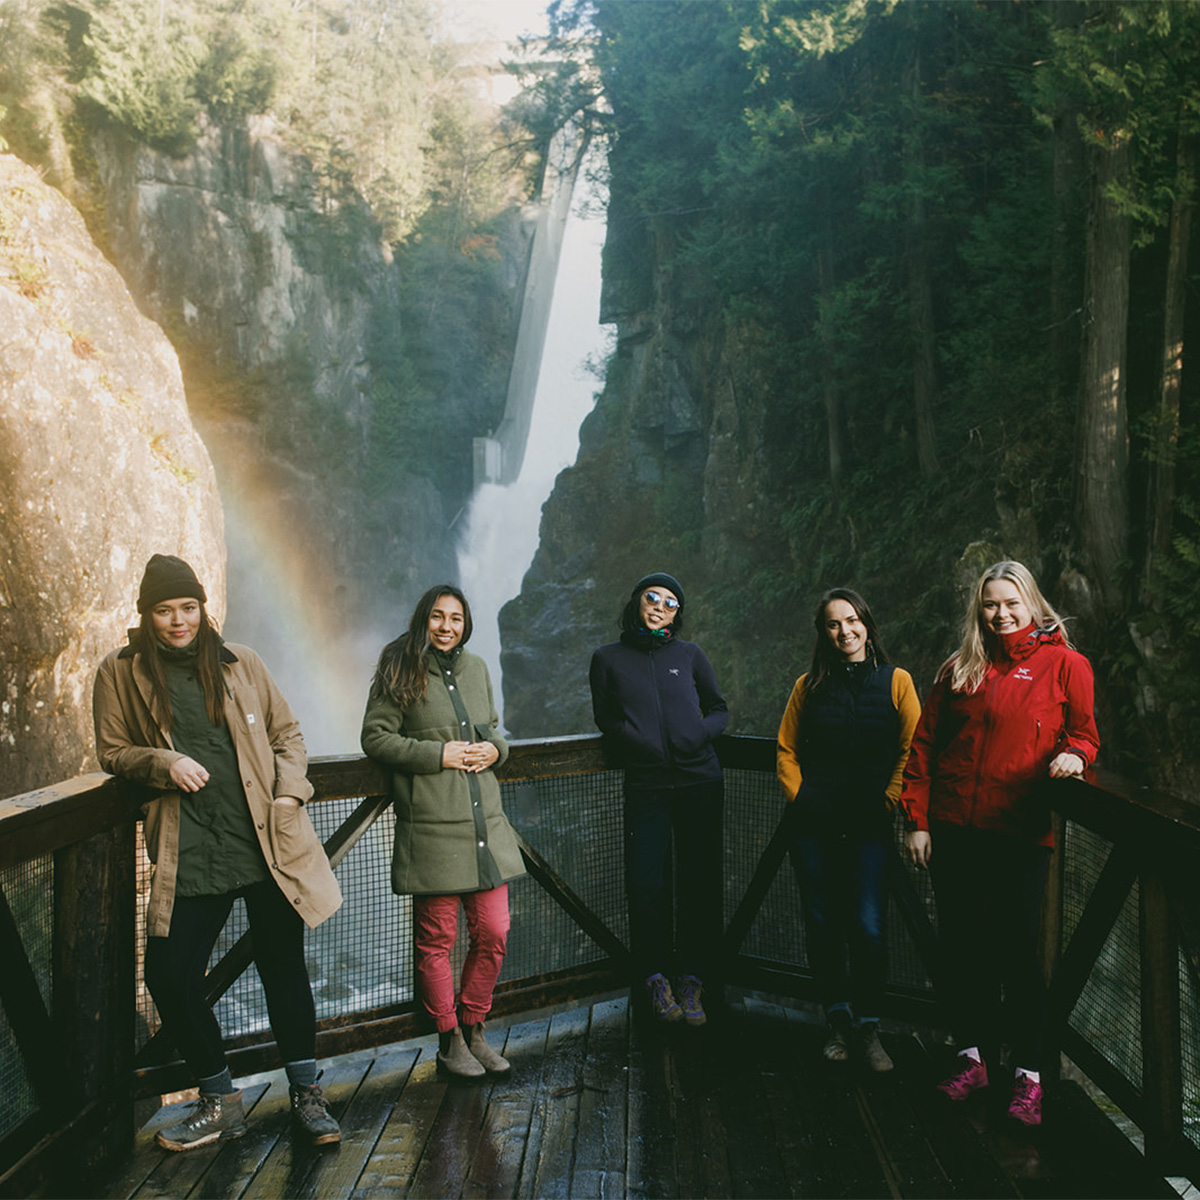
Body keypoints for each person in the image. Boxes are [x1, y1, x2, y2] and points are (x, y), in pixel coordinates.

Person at [93, 554, 343, 1152]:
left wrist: (289, 793)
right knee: (170, 976)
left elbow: (288, 734)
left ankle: (307, 1095)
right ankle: (219, 1098)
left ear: (203, 608)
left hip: (265, 845)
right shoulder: (120, 672)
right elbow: (111, 750)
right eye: (164, 610)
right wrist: (165, 761)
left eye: (187, 607)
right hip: (192, 849)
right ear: (146, 615)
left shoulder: (240, 661)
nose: (178, 620)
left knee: (283, 969)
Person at [901, 560, 1099, 1127]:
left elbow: (1086, 732)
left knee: (1017, 955)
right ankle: (971, 1059)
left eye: (1011, 603)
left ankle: (1029, 1075)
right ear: (978, 609)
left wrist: (1075, 756)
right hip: (955, 832)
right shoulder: (960, 667)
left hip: (1017, 835)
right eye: (991, 604)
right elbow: (924, 746)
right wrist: (918, 820)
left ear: (1032, 604)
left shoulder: (1065, 664)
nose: (1001, 613)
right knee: (962, 949)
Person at [360, 584, 524, 1079]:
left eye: (455, 618)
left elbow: (495, 729)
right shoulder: (400, 666)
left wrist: (497, 750)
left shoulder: (476, 668)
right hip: (431, 826)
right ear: (423, 619)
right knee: (437, 940)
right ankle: (449, 1039)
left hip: (484, 824)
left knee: (494, 930)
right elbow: (374, 736)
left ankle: (476, 1025)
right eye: (437, 616)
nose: (446, 626)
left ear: (465, 624)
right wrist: (438, 754)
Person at [776, 588, 920, 1071]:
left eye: (853, 620)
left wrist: (888, 801)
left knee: (868, 925)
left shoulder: (896, 681)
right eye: (834, 624)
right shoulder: (808, 685)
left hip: (868, 826)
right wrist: (802, 797)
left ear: (867, 623)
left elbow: (912, 748)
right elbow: (785, 749)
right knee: (822, 923)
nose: (845, 631)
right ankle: (836, 1021)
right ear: (824, 632)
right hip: (814, 827)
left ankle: (869, 1027)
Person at [589, 572, 729, 1027]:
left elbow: (719, 709)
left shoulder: (689, 655)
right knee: (646, 882)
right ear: (636, 602)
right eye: (653, 597)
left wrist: (695, 736)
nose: (660, 606)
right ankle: (653, 977)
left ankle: (693, 979)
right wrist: (636, 741)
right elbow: (606, 718)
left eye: (671, 603)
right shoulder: (607, 658)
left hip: (698, 781)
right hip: (646, 784)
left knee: (698, 881)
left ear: (677, 615)